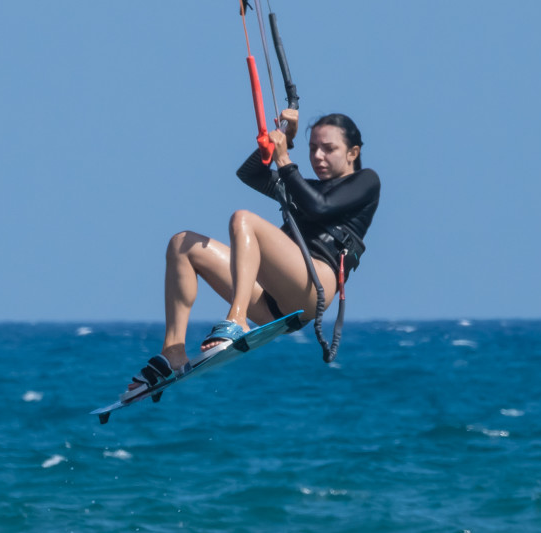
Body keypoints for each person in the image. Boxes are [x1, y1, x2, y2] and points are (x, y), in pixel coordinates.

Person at [124, 112, 380, 398]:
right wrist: (286, 136)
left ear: (352, 153)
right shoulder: (302, 186)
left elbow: (320, 206)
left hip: (313, 288)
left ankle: (237, 319)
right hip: (269, 299)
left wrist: (284, 160)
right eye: (313, 148)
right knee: (182, 244)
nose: (318, 156)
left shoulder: (366, 182)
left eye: (328, 148)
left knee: (243, 218)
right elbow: (251, 174)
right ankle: (173, 351)